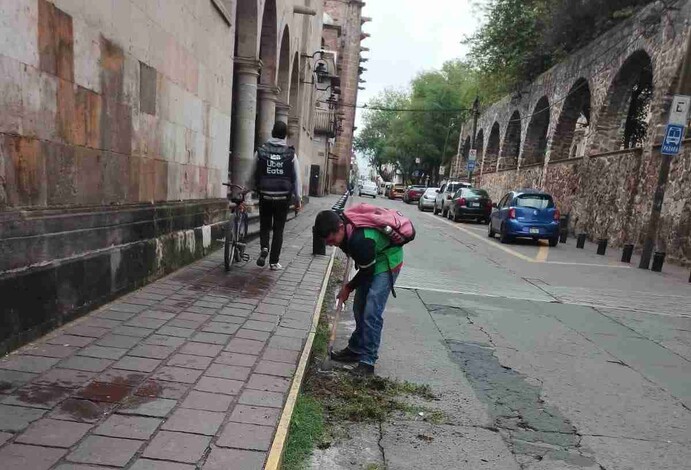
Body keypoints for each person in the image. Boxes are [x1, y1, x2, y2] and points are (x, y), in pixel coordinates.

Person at [313, 210, 404, 376]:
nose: (332, 244)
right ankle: (355, 349)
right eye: (328, 242)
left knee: (372, 310)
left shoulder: (360, 240)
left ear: (340, 227)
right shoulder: (344, 228)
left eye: (332, 240)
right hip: (369, 259)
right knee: (359, 307)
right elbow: (362, 265)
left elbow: (367, 273)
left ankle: (368, 361)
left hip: (387, 259)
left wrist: (347, 288)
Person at [253, 121, 302, 270]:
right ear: (285, 135)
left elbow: (251, 172)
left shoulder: (261, 151)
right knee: (278, 229)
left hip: (265, 195)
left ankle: (264, 247)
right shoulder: (291, 154)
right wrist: (298, 199)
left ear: (272, 132)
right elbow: (297, 179)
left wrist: (248, 189)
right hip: (282, 197)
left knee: (265, 225)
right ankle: (274, 261)